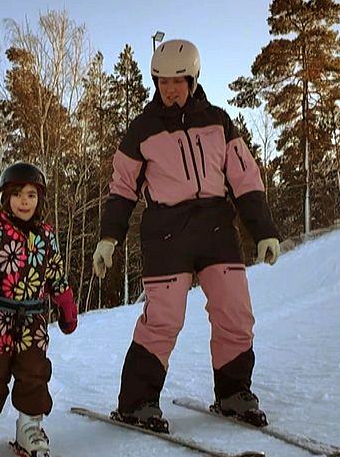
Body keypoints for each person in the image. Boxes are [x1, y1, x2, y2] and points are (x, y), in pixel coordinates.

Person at [93, 38, 281, 433]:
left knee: (234, 311)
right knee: (164, 319)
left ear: (193, 80)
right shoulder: (141, 130)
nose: (170, 89)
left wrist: (263, 231)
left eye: (179, 80)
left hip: (216, 227)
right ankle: (138, 402)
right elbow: (123, 188)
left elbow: (244, 178)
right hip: (166, 233)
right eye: (162, 81)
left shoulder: (218, 121)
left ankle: (233, 393)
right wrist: (109, 239)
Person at [0, 162, 78, 457]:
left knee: (34, 371)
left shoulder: (46, 236)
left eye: (31, 195)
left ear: (40, 200)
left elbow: (55, 273)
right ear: (5, 198)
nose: (25, 201)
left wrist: (64, 302)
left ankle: (29, 427)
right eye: (17, 195)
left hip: (33, 319)